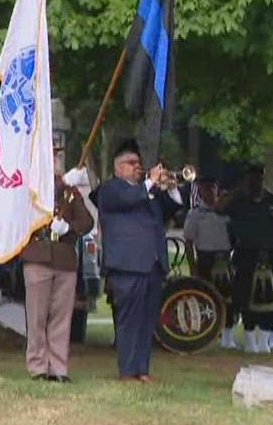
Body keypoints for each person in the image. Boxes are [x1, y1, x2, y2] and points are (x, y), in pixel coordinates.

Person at [95, 139, 182, 381]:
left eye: (138, 163)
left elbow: (171, 209)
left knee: (147, 320)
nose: (137, 166)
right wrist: (150, 182)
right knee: (128, 320)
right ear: (117, 167)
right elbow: (131, 198)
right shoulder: (110, 190)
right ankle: (127, 370)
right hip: (126, 265)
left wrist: (171, 187)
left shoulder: (147, 192)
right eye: (131, 163)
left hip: (151, 264)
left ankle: (142, 370)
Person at [20, 143, 94, 382]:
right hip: (38, 255)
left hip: (64, 258)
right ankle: (38, 366)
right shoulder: (30, 185)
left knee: (62, 318)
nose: (53, 160)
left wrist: (68, 228)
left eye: (54, 156)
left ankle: (59, 367)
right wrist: (62, 184)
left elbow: (87, 222)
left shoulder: (69, 189)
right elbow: (32, 205)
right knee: (37, 316)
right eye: (48, 156)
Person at [217, 166, 273, 353]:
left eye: (258, 180)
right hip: (245, 252)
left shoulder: (270, 200)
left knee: (269, 298)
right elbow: (219, 208)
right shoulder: (239, 200)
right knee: (244, 297)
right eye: (252, 180)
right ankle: (249, 339)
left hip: (268, 254)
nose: (256, 184)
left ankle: (264, 340)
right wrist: (237, 190)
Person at [183, 176, 236, 348]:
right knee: (206, 297)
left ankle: (228, 335)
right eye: (205, 188)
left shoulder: (227, 213)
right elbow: (188, 242)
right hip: (205, 258)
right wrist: (193, 266)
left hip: (223, 258)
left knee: (227, 297)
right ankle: (208, 332)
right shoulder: (195, 214)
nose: (209, 191)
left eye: (212, 187)